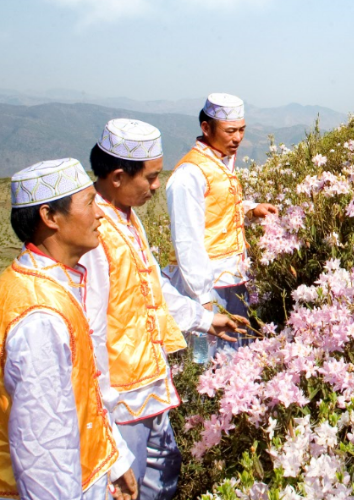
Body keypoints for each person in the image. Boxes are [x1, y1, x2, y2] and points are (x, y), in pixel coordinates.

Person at [79, 119, 250, 500]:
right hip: (119, 395)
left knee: (164, 471)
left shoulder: (123, 215)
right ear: (119, 176)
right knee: (129, 483)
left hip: (148, 381)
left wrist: (206, 320)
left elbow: (153, 287)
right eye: (152, 177)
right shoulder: (92, 234)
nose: (158, 186)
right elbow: (89, 332)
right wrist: (102, 417)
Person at [0, 159, 137, 500]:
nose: (100, 214)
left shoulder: (46, 285)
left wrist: (112, 461)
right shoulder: (39, 315)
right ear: (49, 217)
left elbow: (81, 395)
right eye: (89, 203)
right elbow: (42, 451)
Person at [164, 94, 277, 363]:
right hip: (206, 281)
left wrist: (250, 209)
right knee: (208, 354)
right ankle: (206, 401)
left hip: (232, 276)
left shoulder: (219, 161)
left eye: (241, 130)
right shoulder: (188, 174)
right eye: (230, 131)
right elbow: (186, 240)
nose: (238, 138)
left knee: (235, 345)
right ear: (206, 128)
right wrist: (202, 298)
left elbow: (218, 206)